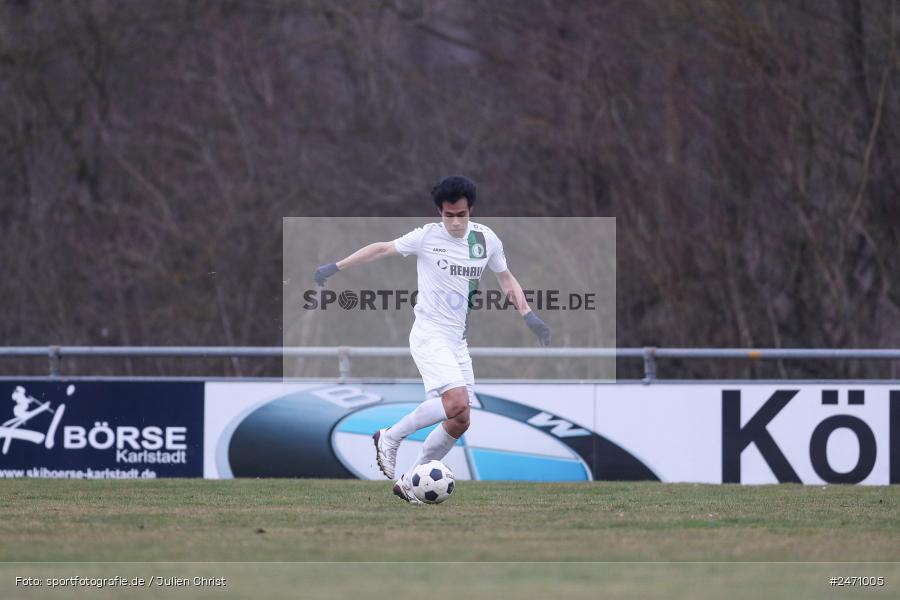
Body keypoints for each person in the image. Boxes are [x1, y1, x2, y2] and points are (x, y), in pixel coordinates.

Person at [314, 175, 551, 503]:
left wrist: (529, 316)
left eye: (461, 215)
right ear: (440, 212)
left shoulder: (486, 240)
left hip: (457, 341)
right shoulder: (426, 237)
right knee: (456, 402)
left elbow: (506, 279)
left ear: (471, 210)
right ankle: (390, 437)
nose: (455, 222)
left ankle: (409, 481)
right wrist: (336, 266)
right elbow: (381, 248)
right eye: (448, 215)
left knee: (460, 419)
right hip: (429, 334)